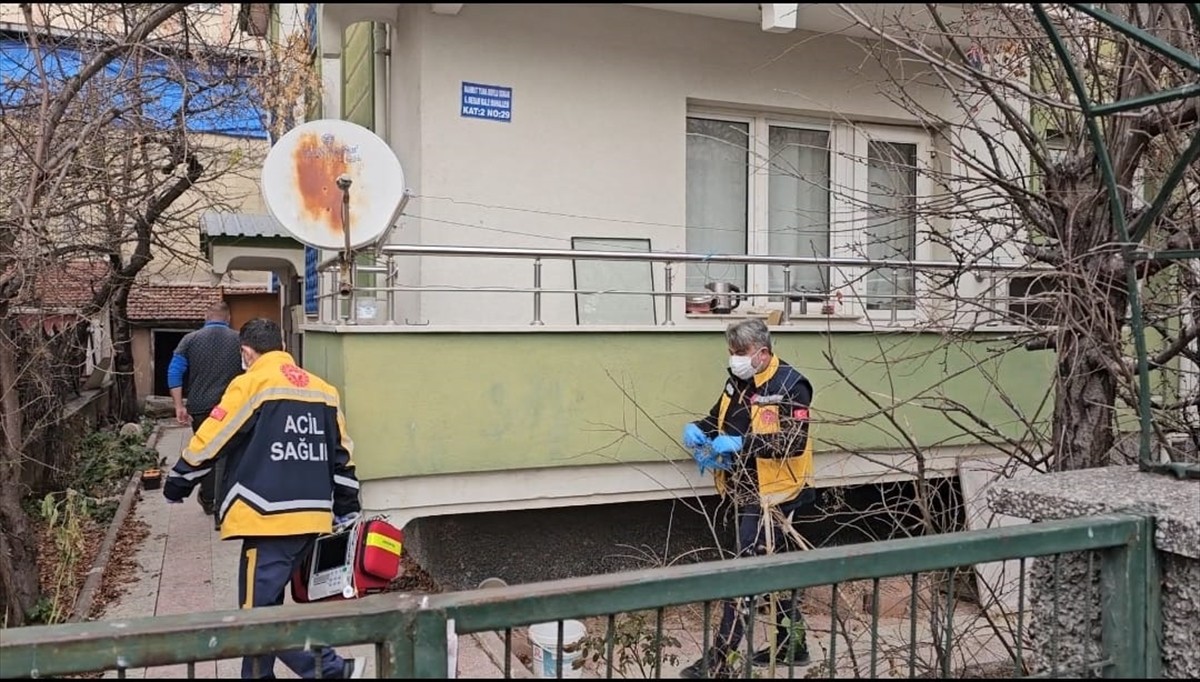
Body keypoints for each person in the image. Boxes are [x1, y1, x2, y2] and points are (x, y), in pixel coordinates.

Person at [162, 318, 364, 679]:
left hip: (267, 517)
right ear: (282, 347)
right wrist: (347, 510)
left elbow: (212, 438)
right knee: (264, 606)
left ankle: (334, 670)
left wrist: (178, 481)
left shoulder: (251, 384)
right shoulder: (323, 390)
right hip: (312, 518)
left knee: (258, 619)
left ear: (246, 352)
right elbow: (342, 457)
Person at [679, 318, 817, 679]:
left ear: (763, 352)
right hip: (745, 487)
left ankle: (720, 660)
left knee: (745, 570)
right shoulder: (738, 380)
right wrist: (699, 430)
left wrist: (742, 444)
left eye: (741, 352)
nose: (735, 359)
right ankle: (793, 644)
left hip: (776, 493)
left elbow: (793, 442)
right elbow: (717, 418)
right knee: (774, 568)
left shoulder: (792, 385)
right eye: (732, 352)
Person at [167, 301, 244, 516]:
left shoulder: (189, 340)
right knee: (229, 453)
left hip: (200, 407)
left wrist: (178, 406)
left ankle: (209, 498)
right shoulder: (240, 340)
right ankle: (225, 500)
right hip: (232, 408)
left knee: (207, 451)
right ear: (228, 318)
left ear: (206, 317)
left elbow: (174, 372)